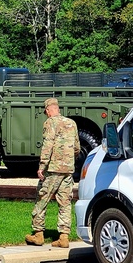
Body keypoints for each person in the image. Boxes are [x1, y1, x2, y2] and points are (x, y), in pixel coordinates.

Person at [26, 97, 80, 248]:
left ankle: (38, 234)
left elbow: (47, 144)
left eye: (46, 112)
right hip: (68, 169)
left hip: (53, 169)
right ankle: (63, 237)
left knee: (42, 198)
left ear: (48, 110)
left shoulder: (50, 122)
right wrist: (69, 160)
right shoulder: (71, 123)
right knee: (65, 202)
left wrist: (42, 166)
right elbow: (77, 147)